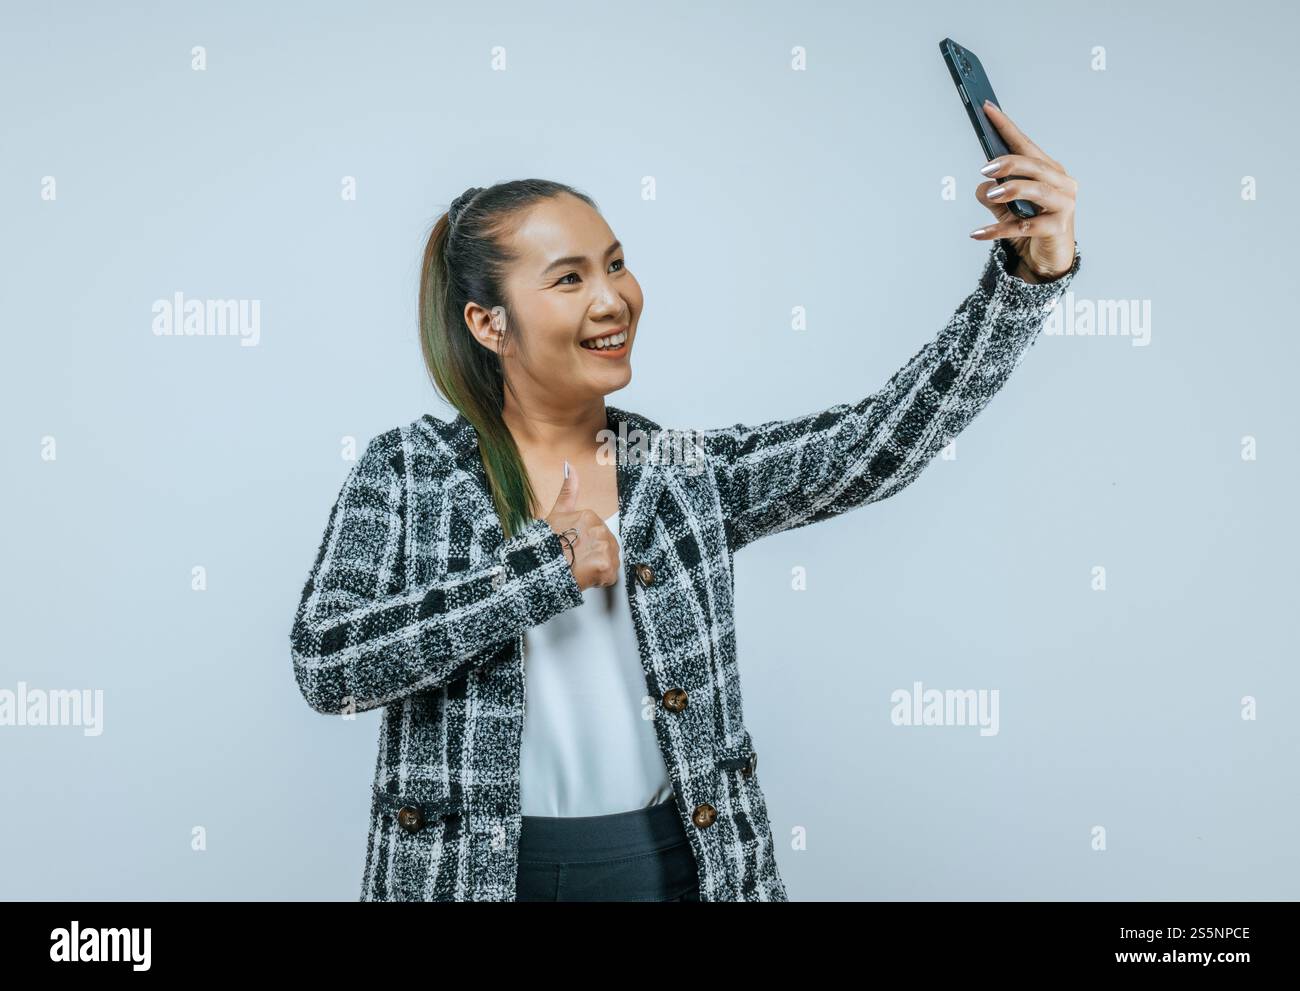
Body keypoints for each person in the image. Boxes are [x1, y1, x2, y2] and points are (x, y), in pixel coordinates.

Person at [289, 102, 1082, 901]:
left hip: (676, 870)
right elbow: (327, 667)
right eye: (569, 278)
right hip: (468, 879)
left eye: (616, 264)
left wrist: (1025, 280)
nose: (614, 300)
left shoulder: (677, 469)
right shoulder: (410, 471)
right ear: (488, 324)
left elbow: (873, 444)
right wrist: (539, 572)